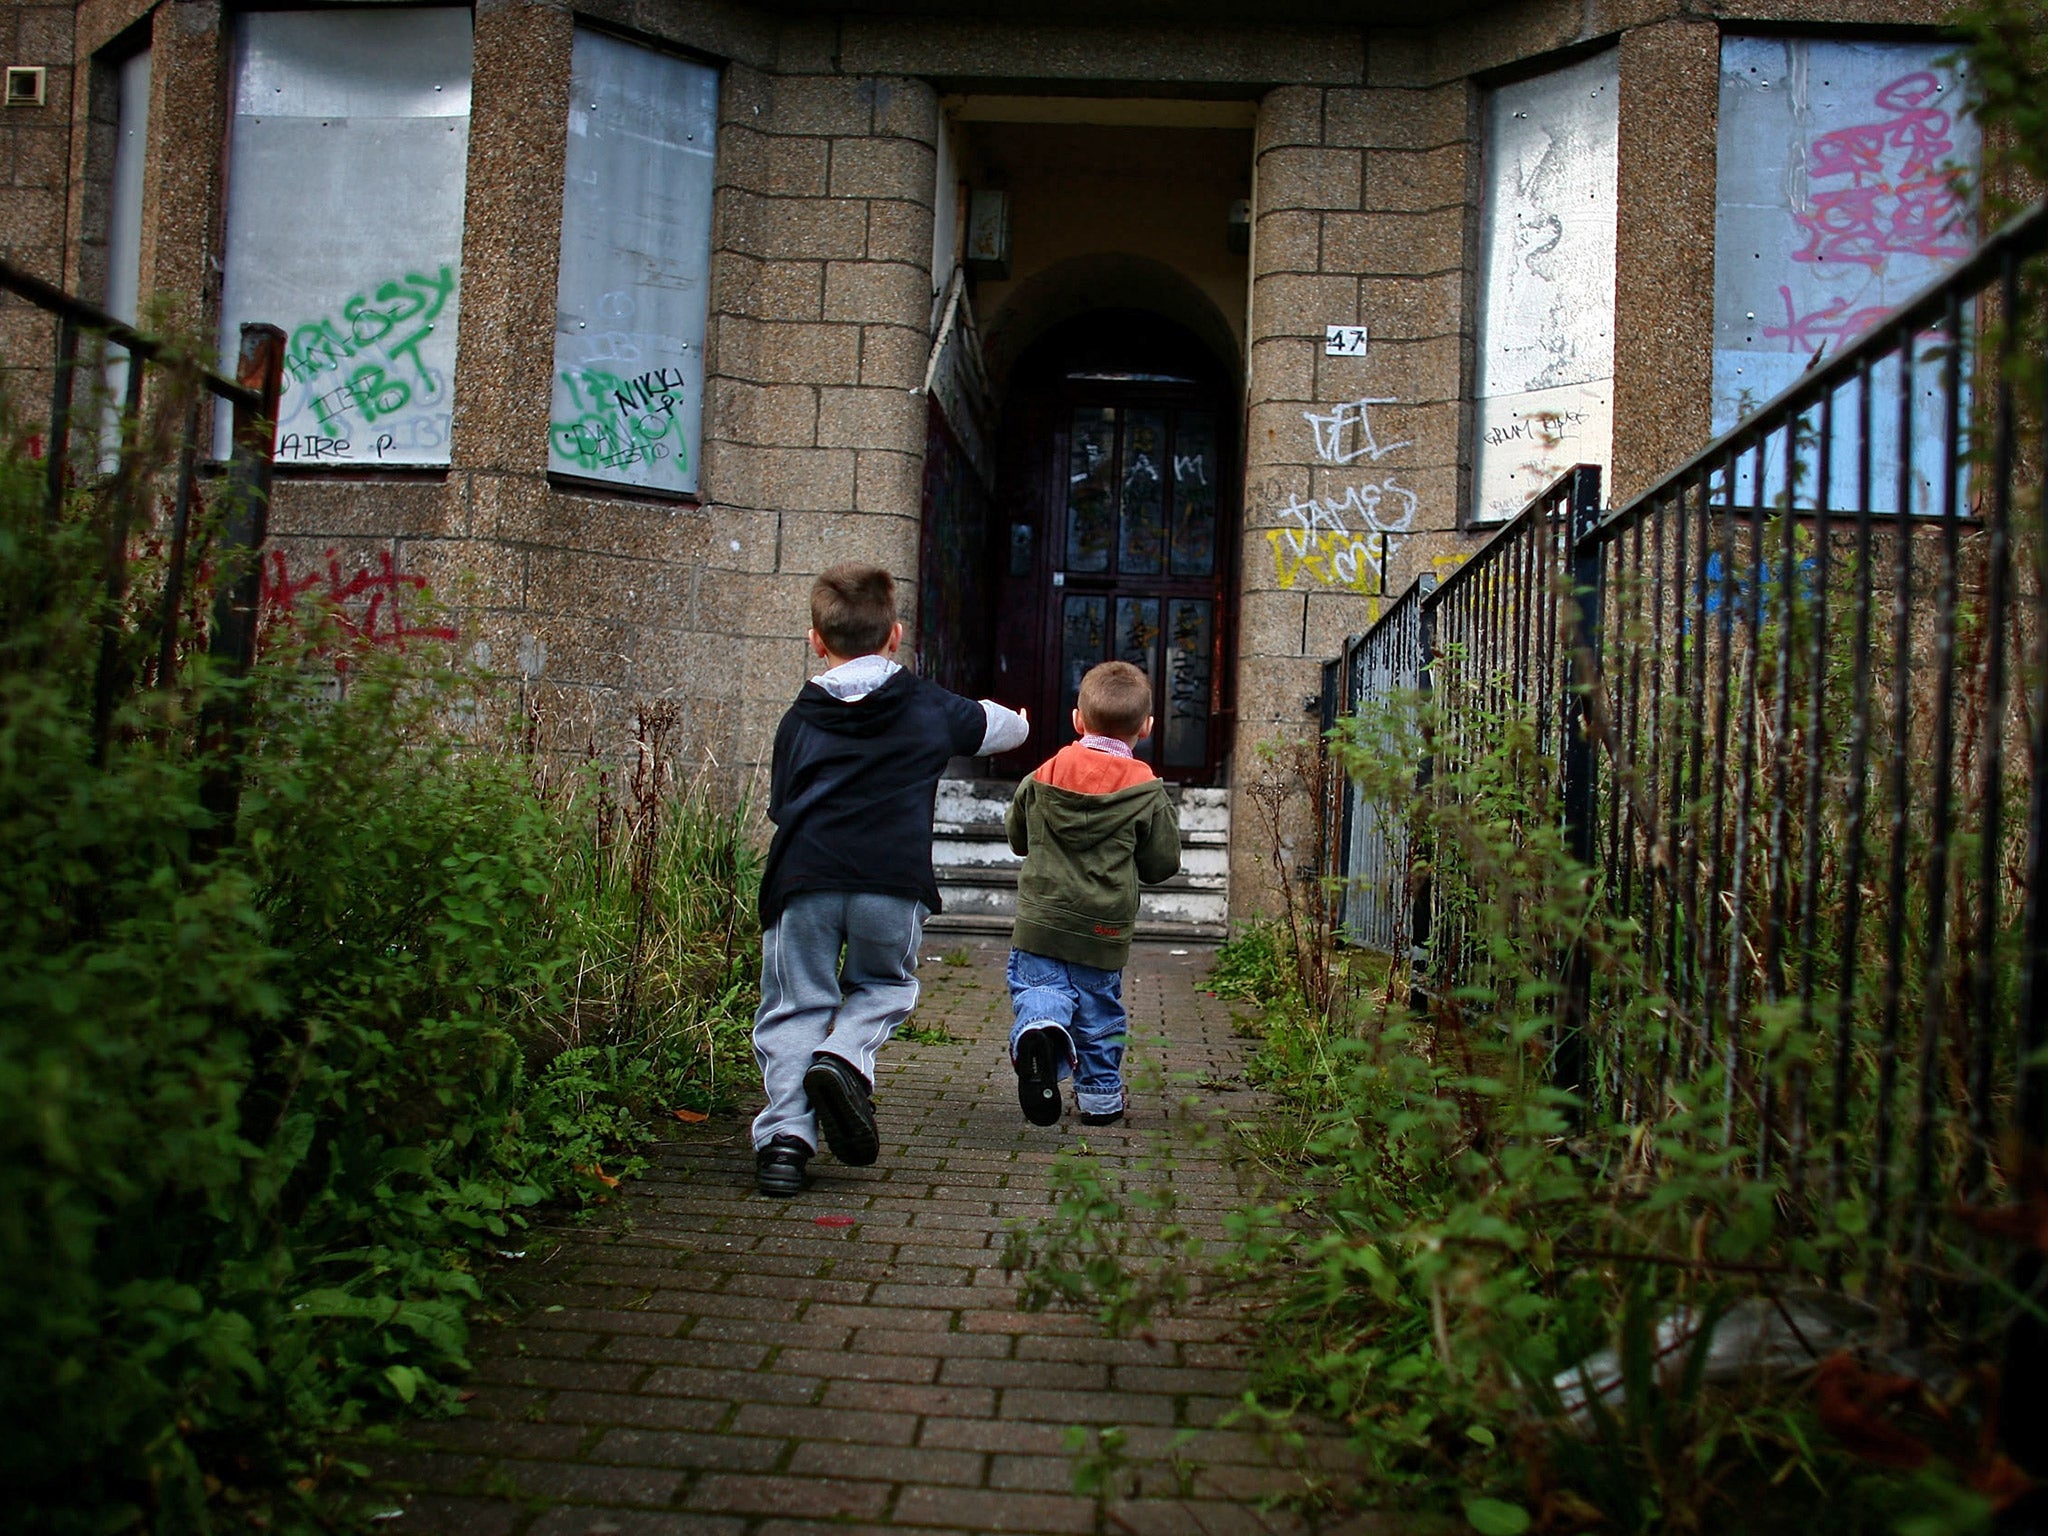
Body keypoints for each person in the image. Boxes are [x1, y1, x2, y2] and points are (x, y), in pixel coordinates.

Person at [752, 562, 1029, 1197]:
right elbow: (1000, 727)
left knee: (796, 1005)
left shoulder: (798, 720)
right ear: (895, 634)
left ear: (817, 640)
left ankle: (786, 1145)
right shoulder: (928, 706)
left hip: (805, 878)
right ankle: (845, 1059)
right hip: (890, 884)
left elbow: (780, 804)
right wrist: (1018, 718)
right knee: (881, 987)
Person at [1003, 660, 1180, 1128]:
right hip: (1103, 927)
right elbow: (1163, 864)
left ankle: (1040, 1031)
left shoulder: (1044, 773)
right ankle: (1101, 1100)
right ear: (1146, 727)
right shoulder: (1146, 789)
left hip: (1041, 920)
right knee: (1099, 1012)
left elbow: (1018, 837)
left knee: (1041, 990)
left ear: (1077, 720)